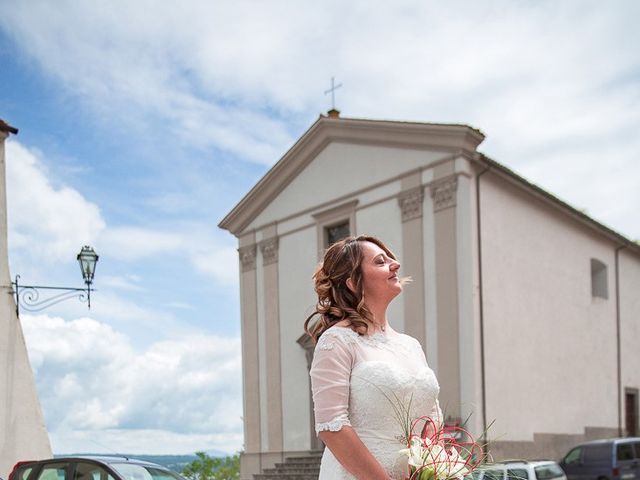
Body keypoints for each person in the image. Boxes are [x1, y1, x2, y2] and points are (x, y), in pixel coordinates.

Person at [305, 235, 442, 480]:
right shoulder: (337, 341)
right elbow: (332, 427)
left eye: (391, 259)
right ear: (353, 283)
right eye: (380, 262)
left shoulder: (412, 346)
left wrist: (431, 471)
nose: (395, 265)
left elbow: (432, 416)